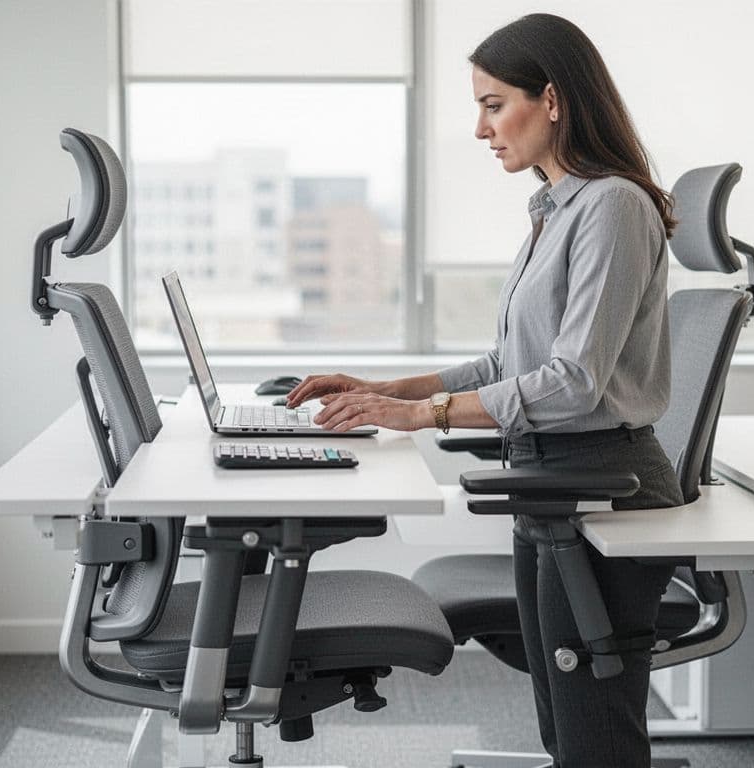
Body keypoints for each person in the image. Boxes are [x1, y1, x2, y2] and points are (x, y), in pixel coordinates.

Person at [285, 13, 682, 767]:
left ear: (554, 100)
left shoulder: (612, 207)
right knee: (563, 720)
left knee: (595, 723)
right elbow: (509, 360)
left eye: (494, 104)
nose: (480, 129)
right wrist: (384, 391)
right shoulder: (554, 212)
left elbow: (571, 383)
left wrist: (422, 414)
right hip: (556, 482)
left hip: (604, 486)